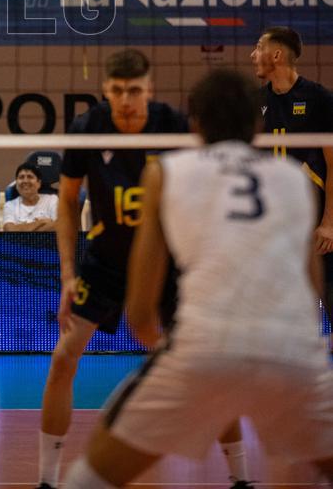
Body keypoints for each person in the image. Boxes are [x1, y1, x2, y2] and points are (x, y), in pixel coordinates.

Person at [64, 68, 333, 489]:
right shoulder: (295, 179)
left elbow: (140, 309)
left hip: (204, 348)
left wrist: (170, 353)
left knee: (88, 478)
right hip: (295, 354)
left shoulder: (167, 171)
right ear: (258, 123)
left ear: (194, 123)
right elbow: (313, 290)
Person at [37, 49, 248, 489]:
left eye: (135, 91)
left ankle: (242, 479)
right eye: (117, 91)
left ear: (150, 91)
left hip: (168, 264)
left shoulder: (172, 126)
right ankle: (47, 482)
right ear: (105, 91)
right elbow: (68, 201)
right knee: (62, 359)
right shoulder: (87, 128)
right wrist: (67, 274)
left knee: (210, 369)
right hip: (105, 261)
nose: (126, 100)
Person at [250, 26, 333, 309]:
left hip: (314, 223)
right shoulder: (255, 102)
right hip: (273, 224)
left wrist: (329, 223)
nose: (253, 55)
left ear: (276, 55)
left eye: (258, 48)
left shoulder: (319, 99)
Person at [3, 162, 58, 232]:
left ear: (39, 183)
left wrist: (22, 229)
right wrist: (41, 222)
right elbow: (10, 230)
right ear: (16, 183)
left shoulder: (52, 200)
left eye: (30, 177)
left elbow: (59, 225)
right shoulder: (10, 205)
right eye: (21, 177)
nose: (25, 181)